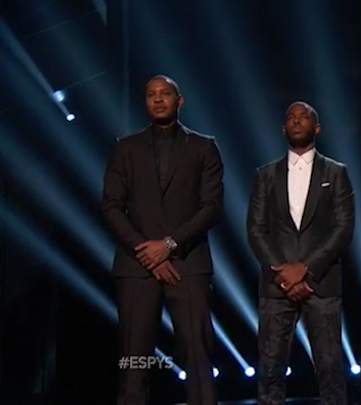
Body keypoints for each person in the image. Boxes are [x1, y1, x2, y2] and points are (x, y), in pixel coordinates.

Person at [102, 75, 223, 405]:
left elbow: (212, 207)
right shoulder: (125, 148)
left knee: (198, 357)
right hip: (136, 265)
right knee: (134, 361)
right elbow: (111, 206)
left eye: (165, 93)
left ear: (179, 101)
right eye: (151, 94)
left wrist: (169, 246)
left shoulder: (204, 146)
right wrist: (147, 252)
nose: (157, 99)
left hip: (188, 263)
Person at [247, 101, 354, 405]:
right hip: (276, 285)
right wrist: (283, 273)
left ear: (317, 128)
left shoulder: (336, 172)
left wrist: (305, 269)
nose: (296, 121)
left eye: (303, 116)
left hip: (321, 282)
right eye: (291, 117)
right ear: (283, 128)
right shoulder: (265, 175)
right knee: (270, 368)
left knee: (330, 368)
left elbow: (343, 228)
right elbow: (255, 229)